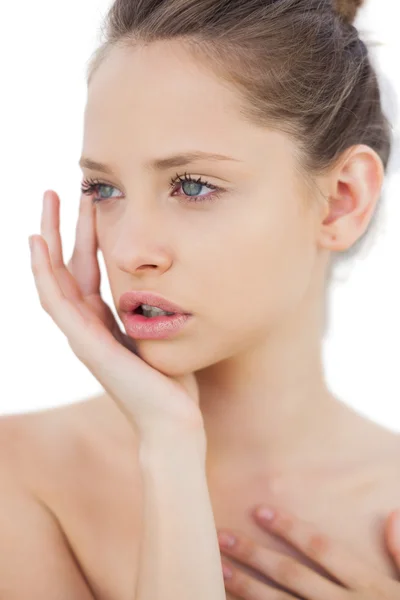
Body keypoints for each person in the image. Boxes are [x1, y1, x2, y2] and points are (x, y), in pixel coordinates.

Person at [2, 0, 400, 598]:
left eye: (192, 186)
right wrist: (169, 447)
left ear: (342, 198)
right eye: (104, 188)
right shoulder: (22, 477)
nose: (131, 249)